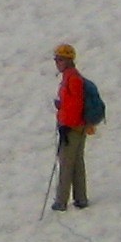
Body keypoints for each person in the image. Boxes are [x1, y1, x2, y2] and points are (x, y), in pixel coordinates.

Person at [50, 43, 90, 210]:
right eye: (56, 59)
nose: (57, 63)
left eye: (60, 60)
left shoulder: (72, 79)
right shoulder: (72, 77)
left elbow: (75, 105)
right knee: (77, 163)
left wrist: (66, 124)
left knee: (66, 163)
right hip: (78, 126)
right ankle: (80, 198)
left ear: (67, 60)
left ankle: (61, 201)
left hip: (72, 128)